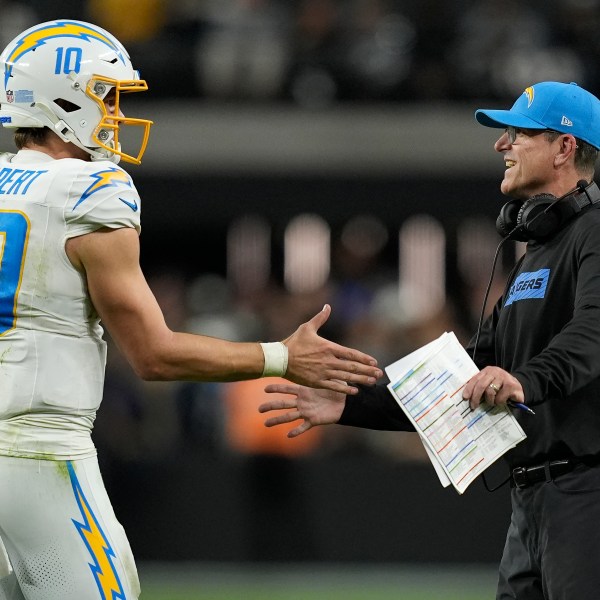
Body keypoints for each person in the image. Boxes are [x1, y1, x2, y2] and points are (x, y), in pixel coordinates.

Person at [0, 19, 383, 600]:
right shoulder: (89, 188)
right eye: (104, 94)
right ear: (62, 96)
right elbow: (153, 355)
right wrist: (282, 357)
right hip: (37, 445)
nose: (112, 112)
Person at [261, 81, 600, 599]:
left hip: (586, 493)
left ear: (565, 146)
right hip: (532, 501)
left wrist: (523, 381)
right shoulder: (536, 251)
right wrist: (352, 402)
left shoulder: (594, 232)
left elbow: (594, 331)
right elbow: (464, 375)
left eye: (519, 132)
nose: (500, 144)